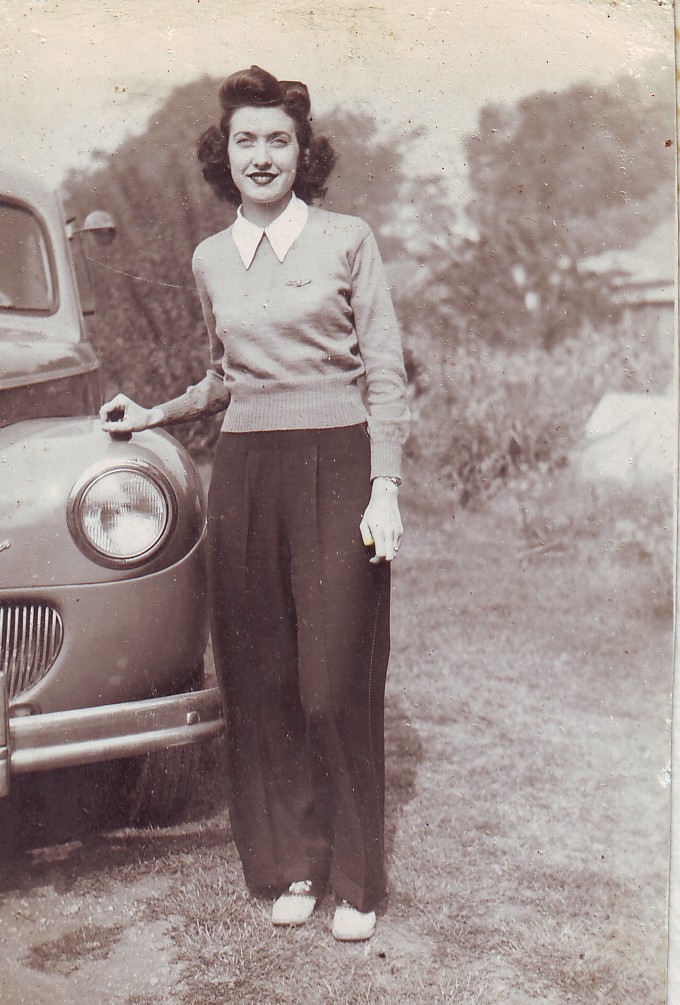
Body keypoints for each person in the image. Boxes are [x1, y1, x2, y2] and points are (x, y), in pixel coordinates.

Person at [100, 65, 409, 943]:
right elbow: (226, 375)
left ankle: (356, 879)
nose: (263, 155)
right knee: (263, 680)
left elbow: (383, 368)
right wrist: (154, 411)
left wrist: (385, 484)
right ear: (224, 154)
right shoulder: (209, 257)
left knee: (331, 682)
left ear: (303, 153)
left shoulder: (349, 239)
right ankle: (293, 864)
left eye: (279, 139)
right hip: (245, 469)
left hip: (340, 459)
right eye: (247, 140)